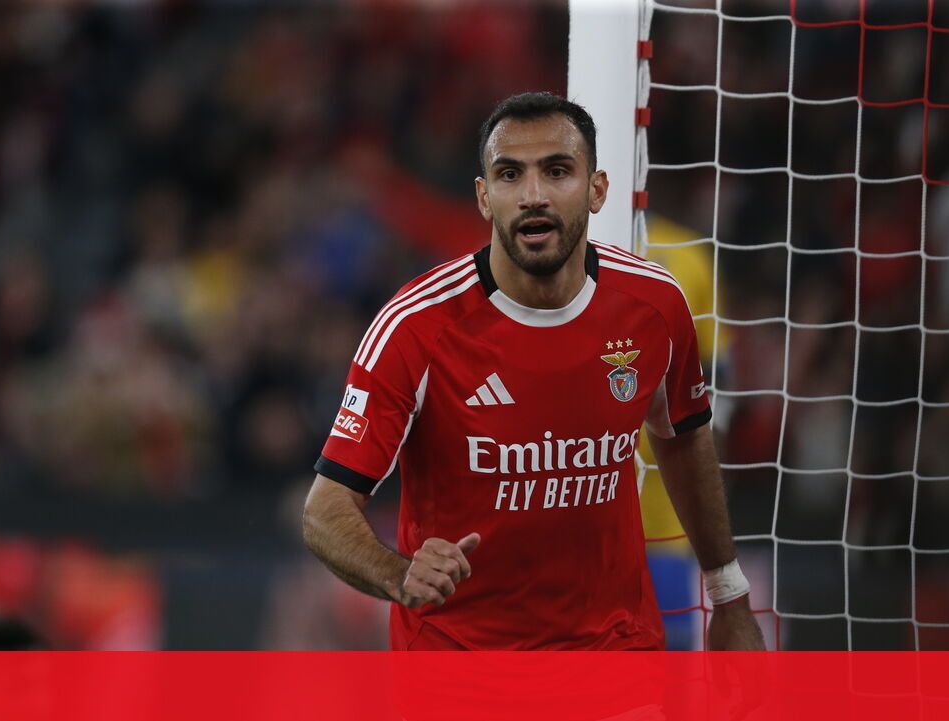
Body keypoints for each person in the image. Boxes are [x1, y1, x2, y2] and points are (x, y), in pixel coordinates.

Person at [303, 92, 765, 651]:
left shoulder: (655, 303)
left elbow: (685, 439)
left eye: (557, 171)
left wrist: (728, 593)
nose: (533, 195)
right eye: (509, 174)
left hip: (616, 650)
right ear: (484, 197)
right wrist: (398, 575)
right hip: (460, 662)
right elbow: (324, 510)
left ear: (597, 189)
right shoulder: (414, 328)